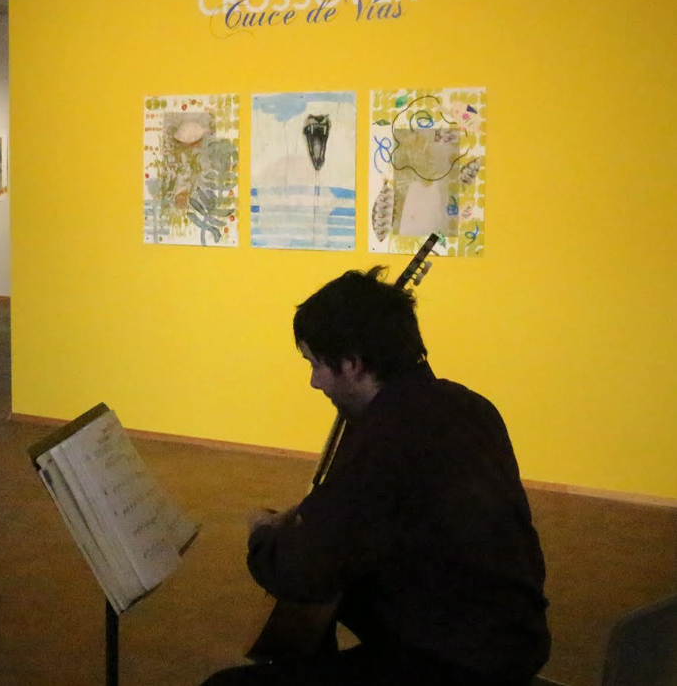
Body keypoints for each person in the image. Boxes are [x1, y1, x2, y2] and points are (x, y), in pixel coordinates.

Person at [201, 266, 549, 686]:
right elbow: (371, 518)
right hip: (512, 637)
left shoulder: (386, 435)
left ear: (352, 363)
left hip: (455, 661)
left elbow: (300, 573)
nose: (314, 382)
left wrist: (262, 536)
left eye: (315, 364)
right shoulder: (471, 407)